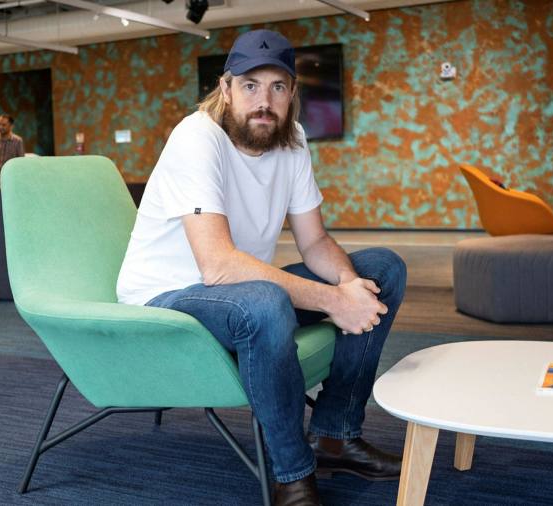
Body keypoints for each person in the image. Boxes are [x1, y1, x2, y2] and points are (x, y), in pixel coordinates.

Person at [116, 30, 406, 505]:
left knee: (383, 269)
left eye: (277, 87)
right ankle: (293, 474)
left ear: (292, 93)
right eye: (250, 85)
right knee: (264, 302)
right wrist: (334, 301)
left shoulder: (293, 141)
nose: (263, 102)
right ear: (226, 88)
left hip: (238, 291)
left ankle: (335, 437)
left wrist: (350, 285)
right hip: (166, 295)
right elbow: (218, 266)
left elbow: (315, 241)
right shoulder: (196, 137)